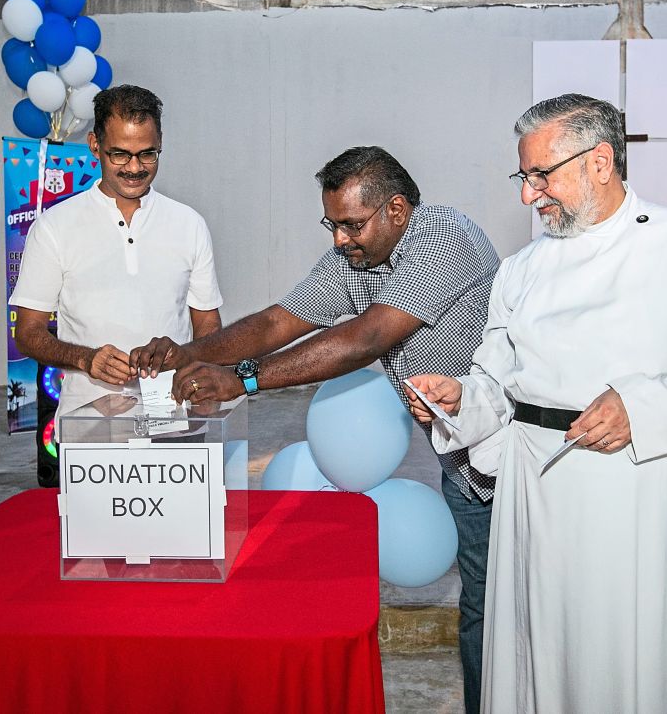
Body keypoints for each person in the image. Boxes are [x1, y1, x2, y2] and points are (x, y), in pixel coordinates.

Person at [407, 94, 667, 714]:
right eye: (523, 178)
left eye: (540, 176)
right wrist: (459, 398)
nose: (529, 196)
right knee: (544, 652)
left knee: (639, 655)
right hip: (537, 496)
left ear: (599, 162)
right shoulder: (519, 271)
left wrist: (642, 407)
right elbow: (496, 386)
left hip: (643, 494)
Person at [130, 145, 500, 714]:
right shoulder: (357, 258)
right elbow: (279, 321)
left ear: (397, 210)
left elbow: (367, 338)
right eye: (332, 224)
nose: (339, 239)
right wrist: (186, 354)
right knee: (483, 609)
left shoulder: (442, 236)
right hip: (462, 462)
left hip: (509, 455)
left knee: (501, 612)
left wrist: (243, 380)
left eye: (352, 224)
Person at [10, 84, 223, 428]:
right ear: (95, 145)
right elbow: (28, 332)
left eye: (147, 154)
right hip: (87, 420)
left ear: (161, 144)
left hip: (171, 415)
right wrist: (85, 358)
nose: (135, 167)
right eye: (120, 154)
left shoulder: (189, 224)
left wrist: (192, 367)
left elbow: (208, 324)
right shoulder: (55, 227)